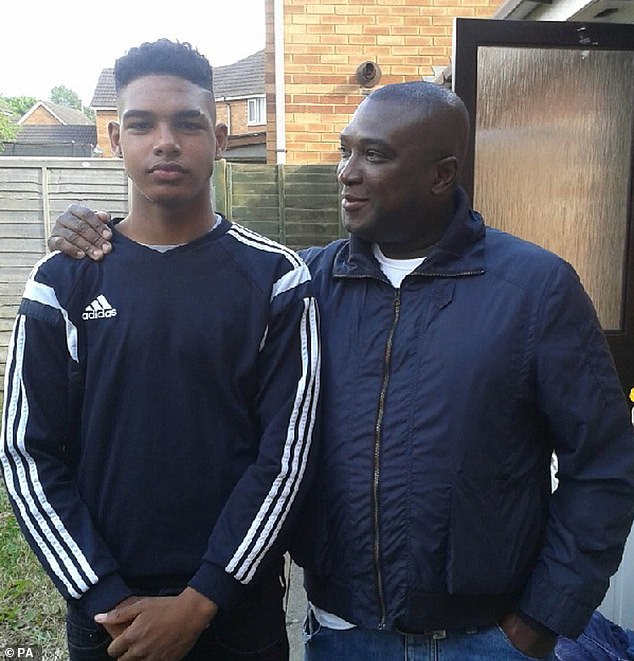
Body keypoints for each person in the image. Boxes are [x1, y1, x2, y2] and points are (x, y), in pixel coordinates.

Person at [47, 81, 634, 661]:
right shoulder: (304, 285)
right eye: (345, 151)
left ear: (441, 174)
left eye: (374, 155)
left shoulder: (534, 290)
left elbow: (604, 465)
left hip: (483, 639)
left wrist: (538, 622)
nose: (347, 172)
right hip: (339, 633)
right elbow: (196, 276)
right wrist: (95, 232)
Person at [1, 39, 320, 661]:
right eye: (143, 125)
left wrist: (203, 598)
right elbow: (26, 453)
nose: (166, 141)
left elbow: (287, 455)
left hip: (236, 611)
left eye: (188, 123)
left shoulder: (277, 279)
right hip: (108, 618)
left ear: (220, 139)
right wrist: (101, 595)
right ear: (116, 139)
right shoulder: (62, 281)